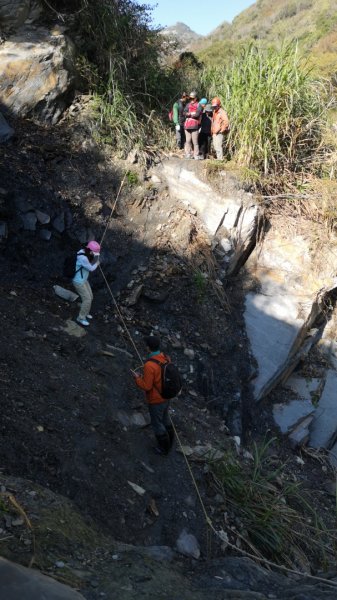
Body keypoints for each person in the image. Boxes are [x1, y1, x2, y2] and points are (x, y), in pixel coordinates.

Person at [132, 336, 174, 455]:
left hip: (156, 400)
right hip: (166, 395)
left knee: (157, 424)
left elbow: (147, 386)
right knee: (166, 418)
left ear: (148, 348)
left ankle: (164, 449)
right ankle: (170, 442)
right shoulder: (165, 357)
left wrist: (137, 378)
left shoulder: (149, 365)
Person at [72, 240, 101, 326]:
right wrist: (97, 263)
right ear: (90, 250)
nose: (95, 255)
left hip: (84, 280)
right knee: (87, 299)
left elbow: (91, 260)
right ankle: (80, 318)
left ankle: (85, 312)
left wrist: (94, 258)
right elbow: (91, 268)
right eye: (94, 253)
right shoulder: (83, 258)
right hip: (78, 282)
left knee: (90, 297)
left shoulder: (85, 252)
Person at [184, 91, 202, 160]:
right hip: (187, 125)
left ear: (196, 98)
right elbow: (184, 112)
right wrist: (191, 114)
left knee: (195, 142)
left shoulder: (198, 105)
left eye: (192, 98)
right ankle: (188, 154)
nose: (191, 100)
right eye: (190, 98)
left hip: (195, 126)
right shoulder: (188, 105)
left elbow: (197, 114)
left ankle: (196, 155)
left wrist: (189, 114)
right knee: (188, 141)